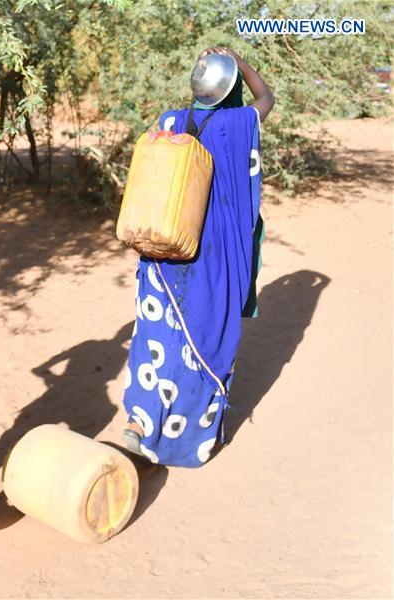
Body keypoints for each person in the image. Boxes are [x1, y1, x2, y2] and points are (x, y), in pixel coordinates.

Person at [121, 47, 275, 467]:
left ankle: (139, 421)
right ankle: (189, 442)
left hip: (161, 250)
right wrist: (241, 62)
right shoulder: (236, 123)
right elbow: (268, 100)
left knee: (157, 337)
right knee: (204, 340)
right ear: (230, 89)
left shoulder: (170, 120)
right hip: (208, 258)